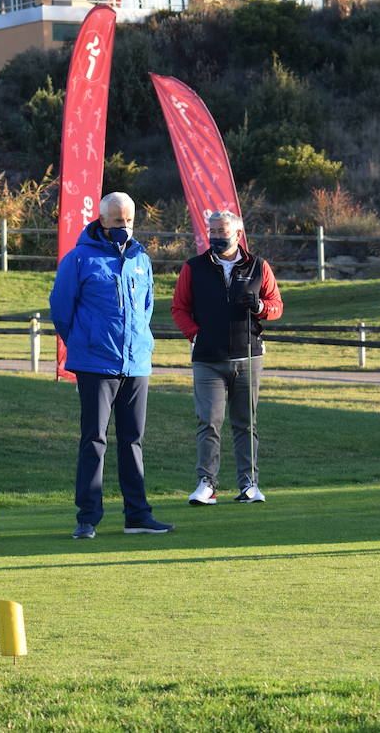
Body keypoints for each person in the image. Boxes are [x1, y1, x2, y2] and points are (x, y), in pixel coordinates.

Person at [49, 192, 173, 539]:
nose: (124, 226)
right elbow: (61, 310)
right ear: (102, 221)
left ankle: (138, 515)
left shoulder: (140, 259)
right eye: (118, 221)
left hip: (135, 364)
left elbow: (146, 307)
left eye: (129, 220)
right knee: (94, 440)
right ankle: (88, 517)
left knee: (133, 440)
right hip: (95, 364)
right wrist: (84, 342)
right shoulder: (78, 259)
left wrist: (138, 344)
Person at [171, 210, 284, 506]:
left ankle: (249, 484)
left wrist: (259, 305)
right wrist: (195, 334)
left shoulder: (258, 266)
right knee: (208, 421)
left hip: (247, 356)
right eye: (212, 231)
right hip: (208, 359)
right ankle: (206, 483)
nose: (216, 237)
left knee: (245, 423)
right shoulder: (194, 267)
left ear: (237, 233)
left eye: (222, 231)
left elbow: (276, 306)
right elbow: (179, 308)